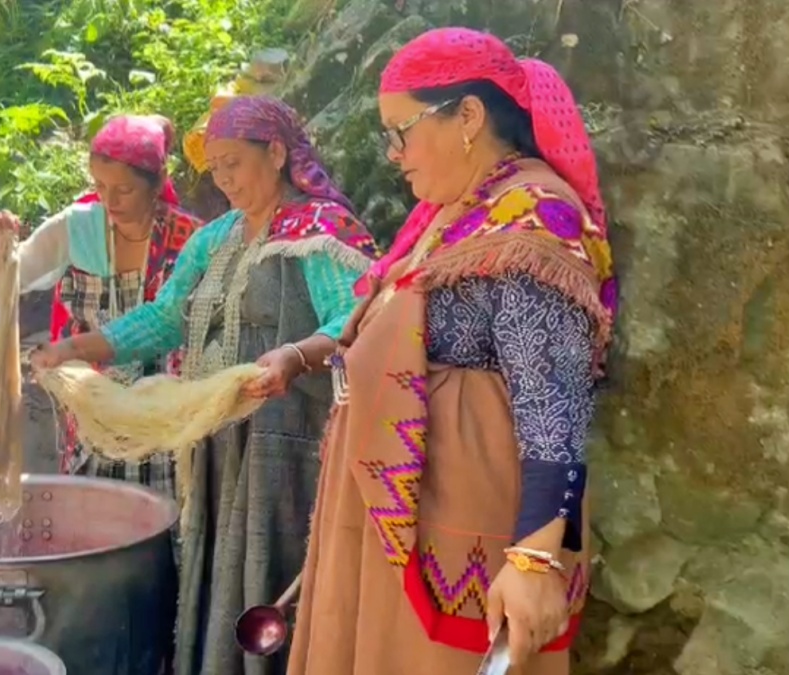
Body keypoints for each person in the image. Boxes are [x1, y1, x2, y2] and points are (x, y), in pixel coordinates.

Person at [287, 28, 617, 675]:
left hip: (465, 535)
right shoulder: (457, 213)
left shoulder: (533, 216)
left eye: (401, 131)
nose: (394, 154)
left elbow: (554, 406)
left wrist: (535, 561)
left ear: (467, 115)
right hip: (411, 518)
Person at [29, 95, 379, 675]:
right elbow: (165, 319)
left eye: (233, 163)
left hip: (287, 446)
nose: (224, 180)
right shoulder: (216, 239)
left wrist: (294, 357)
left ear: (276, 153)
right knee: (221, 575)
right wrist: (73, 349)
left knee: (275, 575)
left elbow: (354, 321)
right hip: (218, 444)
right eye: (215, 168)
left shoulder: (321, 232)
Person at [0, 114, 202, 496]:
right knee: (93, 511)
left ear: (159, 181)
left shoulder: (192, 239)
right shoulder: (77, 228)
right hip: (91, 417)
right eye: (100, 185)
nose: (109, 201)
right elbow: (1, 288)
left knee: (167, 513)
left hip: (168, 419)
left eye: (124, 190)